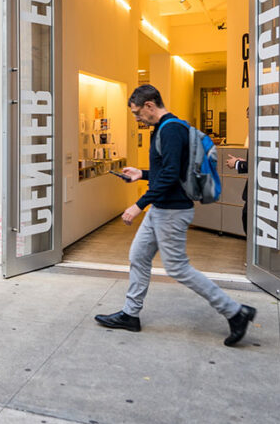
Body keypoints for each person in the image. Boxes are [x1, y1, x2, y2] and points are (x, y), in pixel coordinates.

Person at [95, 85, 256, 346]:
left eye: (137, 113)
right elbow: (172, 170)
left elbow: (170, 176)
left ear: (149, 105)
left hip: (172, 210)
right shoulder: (168, 128)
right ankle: (130, 314)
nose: (136, 118)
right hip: (162, 207)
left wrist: (138, 205)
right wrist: (142, 174)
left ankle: (236, 312)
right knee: (138, 255)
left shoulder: (170, 130)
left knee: (178, 268)